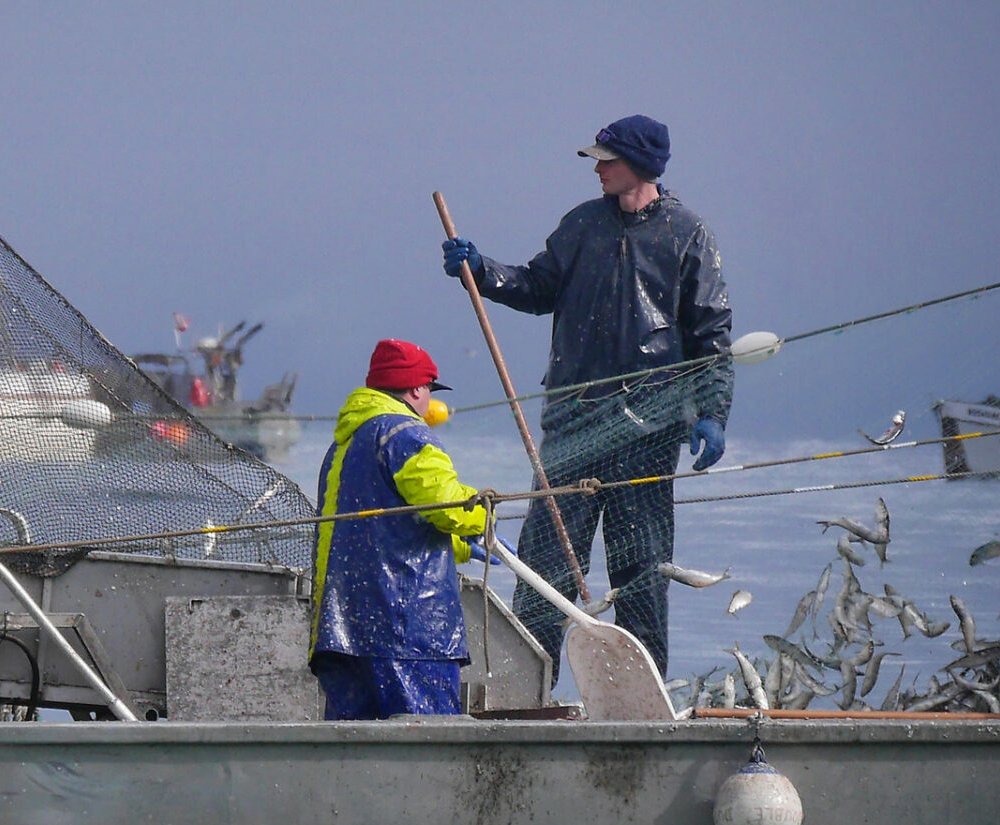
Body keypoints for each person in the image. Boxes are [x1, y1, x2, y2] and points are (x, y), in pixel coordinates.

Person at [439, 114, 732, 680]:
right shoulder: (581, 226)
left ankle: (643, 702)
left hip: (651, 430)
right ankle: (528, 689)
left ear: (641, 167)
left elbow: (711, 336)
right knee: (545, 565)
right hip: (572, 425)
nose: (596, 168)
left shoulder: (688, 234)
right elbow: (536, 286)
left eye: (607, 159)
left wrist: (713, 413)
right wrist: (482, 270)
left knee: (642, 573)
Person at [308, 339, 490, 719]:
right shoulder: (405, 433)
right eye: (428, 391)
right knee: (428, 751)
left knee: (353, 755)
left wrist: (458, 547)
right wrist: (484, 516)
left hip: (342, 634)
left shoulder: (341, 447)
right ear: (417, 389)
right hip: (409, 630)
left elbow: (378, 527)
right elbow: (447, 506)